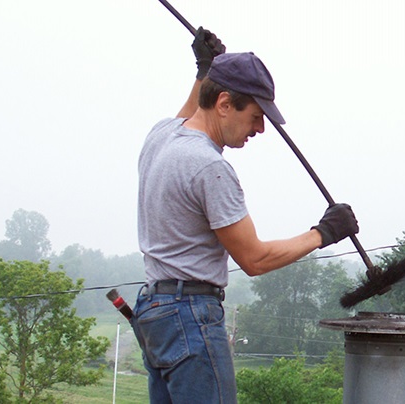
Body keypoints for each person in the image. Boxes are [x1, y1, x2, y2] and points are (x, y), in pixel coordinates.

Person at [131, 27, 359, 404]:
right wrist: (324, 232)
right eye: (255, 116)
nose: (260, 128)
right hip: (191, 317)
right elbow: (254, 259)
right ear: (224, 104)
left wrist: (204, 68)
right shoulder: (209, 167)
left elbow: (192, 110)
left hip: (156, 312)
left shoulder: (162, 138)